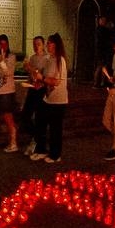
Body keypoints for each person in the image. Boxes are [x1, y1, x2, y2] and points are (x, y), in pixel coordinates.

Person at [30, 32, 69, 164]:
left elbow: (57, 81)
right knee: (40, 122)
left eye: (50, 43)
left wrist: (42, 78)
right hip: (48, 98)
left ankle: (55, 154)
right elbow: (45, 77)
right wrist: (39, 81)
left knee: (55, 128)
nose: (48, 45)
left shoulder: (60, 60)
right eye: (47, 43)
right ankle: (41, 149)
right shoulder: (49, 59)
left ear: (56, 45)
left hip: (58, 99)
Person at [19, 35, 48, 155]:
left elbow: (41, 75)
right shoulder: (32, 58)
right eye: (34, 44)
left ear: (43, 44)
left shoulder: (47, 59)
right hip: (32, 89)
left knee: (39, 117)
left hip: (41, 90)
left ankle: (37, 142)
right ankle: (36, 137)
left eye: (38, 44)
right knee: (25, 116)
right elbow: (31, 76)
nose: (36, 46)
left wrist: (30, 68)